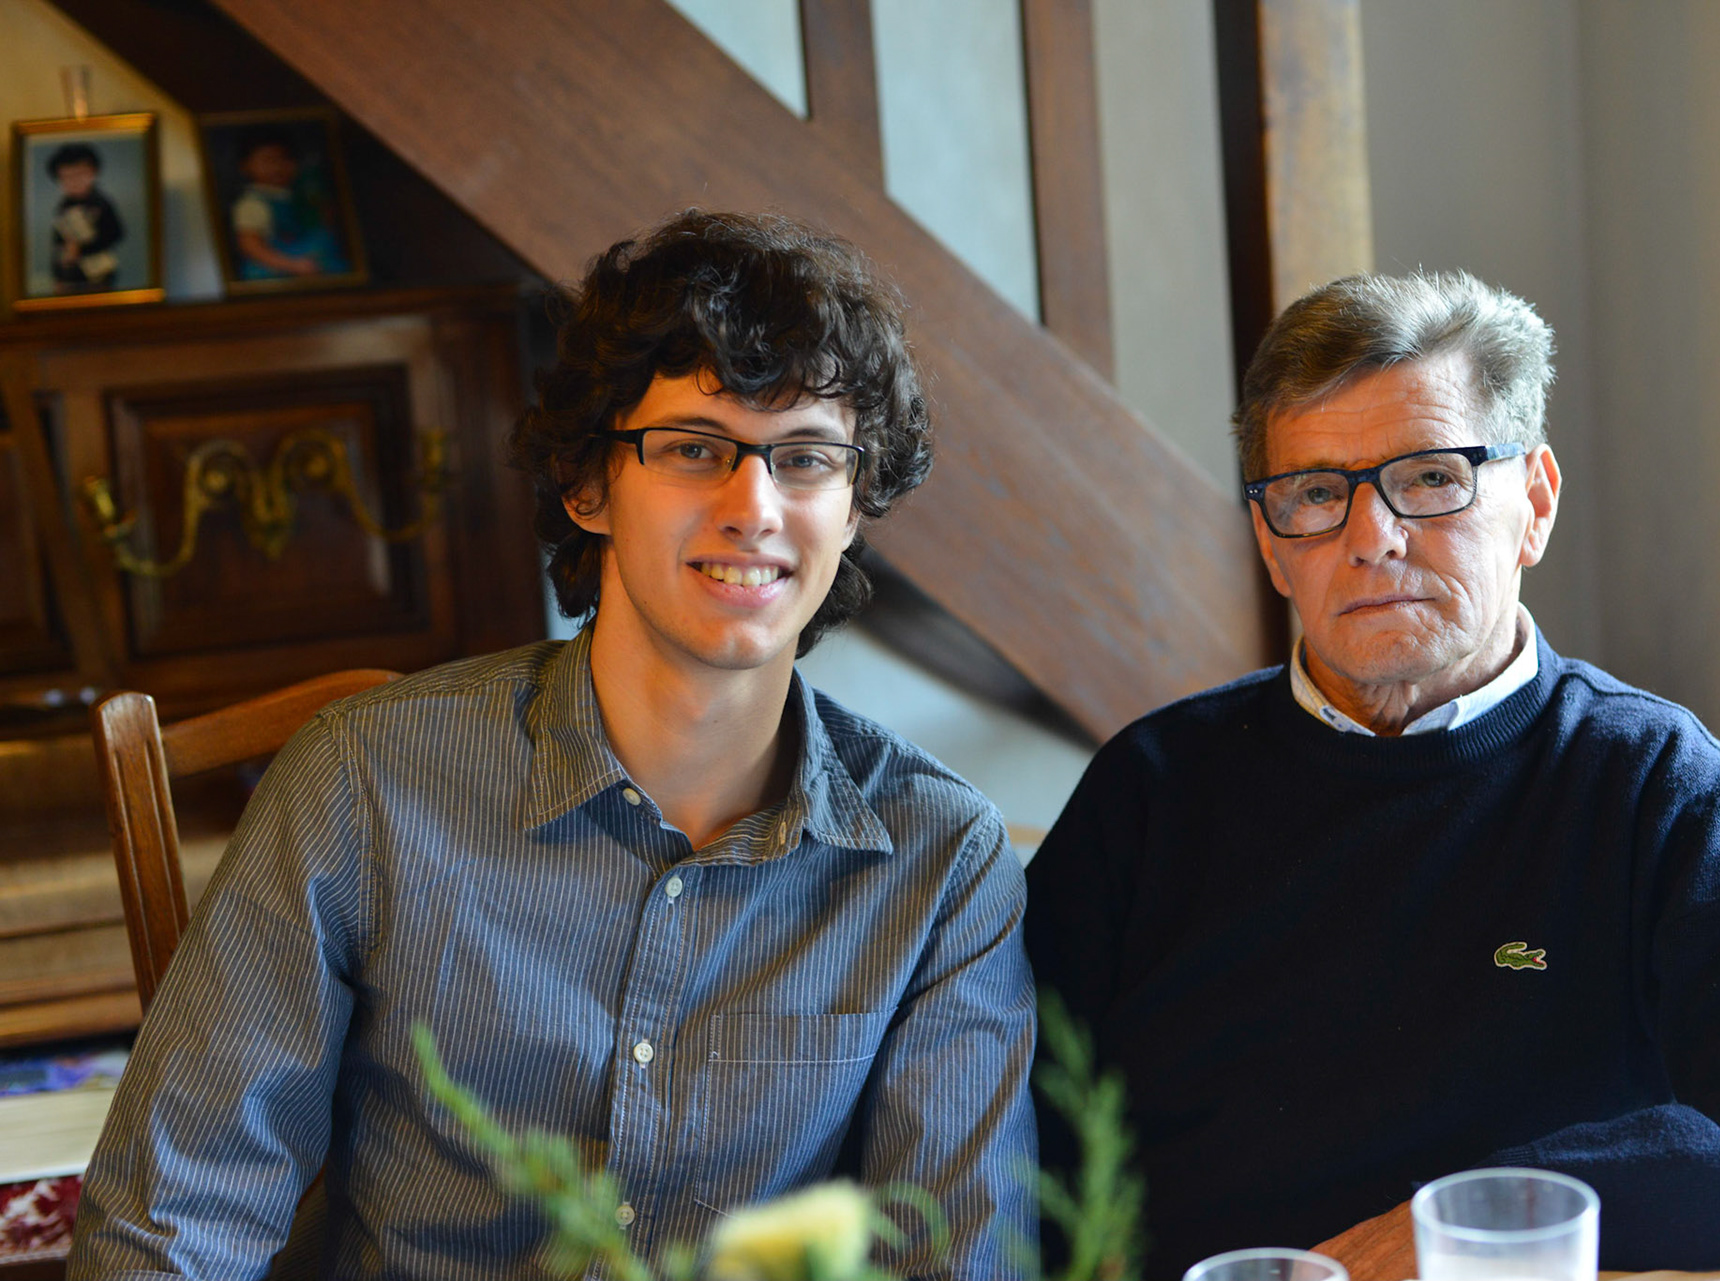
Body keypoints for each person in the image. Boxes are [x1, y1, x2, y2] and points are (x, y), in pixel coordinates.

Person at [71, 211, 1036, 1280]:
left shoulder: (943, 861)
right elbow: (172, 1223)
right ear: (587, 485)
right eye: (693, 449)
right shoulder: (362, 781)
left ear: (853, 508)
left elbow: (960, 1259)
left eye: (805, 458)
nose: (754, 507)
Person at [1024, 270, 1720, 1279]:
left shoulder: (1650, 786)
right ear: (1273, 547)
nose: (1372, 537)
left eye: (1429, 477)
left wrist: (1465, 1221)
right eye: (1315, 493)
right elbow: (1002, 1146)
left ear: (1534, 503)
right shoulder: (1148, 794)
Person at [228, 127, 349, 280]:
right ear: (246, 166)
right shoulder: (252, 203)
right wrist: (292, 265)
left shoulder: (300, 196)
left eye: (284, 159)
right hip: (276, 273)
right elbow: (250, 245)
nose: (277, 167)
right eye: (268, 160)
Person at [46, 142, 124, 293]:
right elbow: (58, 242)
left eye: (80, 175)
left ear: (93, 173)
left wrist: (82, 249)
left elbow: (115, 233)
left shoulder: (101, 204)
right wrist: (58, 273)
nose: (74, 182)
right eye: (67, 177)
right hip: (70, 274)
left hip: (99, 272)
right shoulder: (62, 208)